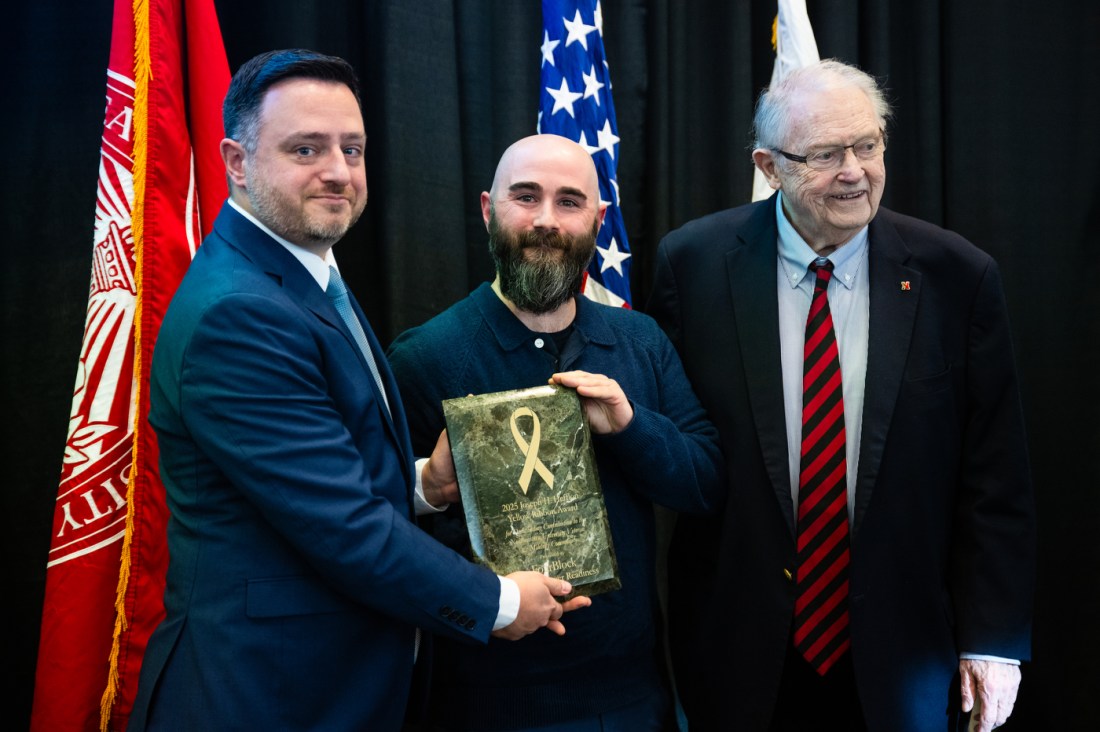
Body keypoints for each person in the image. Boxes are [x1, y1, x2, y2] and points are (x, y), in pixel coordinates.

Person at [128, 50, 590, 731]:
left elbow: (313, 476)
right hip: (262, 695)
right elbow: (344, 527)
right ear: (235, 161)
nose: (339, 171)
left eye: (352, 148)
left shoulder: (301, 272)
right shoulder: (241, 312)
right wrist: (498, 602)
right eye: (306, 148)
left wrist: (420, 486)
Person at [647, 59, 1035, 732]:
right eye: (825, 154)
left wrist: (993, 638)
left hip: (905, 653)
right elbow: (676, 450)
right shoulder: (694, 265)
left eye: (868, 145)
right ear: (769, 166)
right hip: (737, 649)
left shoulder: (957, 277)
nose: (855, 170)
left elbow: (995, 478)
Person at [386, 133, 724, 731]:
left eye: (569, 202)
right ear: (489, 210)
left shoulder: (641, 342)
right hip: (480, 703)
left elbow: (705, 484)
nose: (546, 220)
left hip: (632, 700)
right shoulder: (424, 358)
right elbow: (387, 538)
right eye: (526, 196)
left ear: (598, 220)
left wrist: (631, 426)